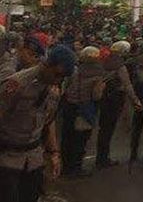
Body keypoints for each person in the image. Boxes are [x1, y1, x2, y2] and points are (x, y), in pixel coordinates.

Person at [0, 45, 76, 202]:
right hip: (8, 158)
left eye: (63, 78)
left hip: (34, 158)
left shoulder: (54, 87)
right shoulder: (17, 85)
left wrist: (54, 153)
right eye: (57, 75)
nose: (59, 80)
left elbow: (49, 121)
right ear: (47, 64)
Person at [97, 41, 142, 169]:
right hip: (114, 99)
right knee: (108, 128)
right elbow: (127, 85)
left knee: (103, 129)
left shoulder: (103, 63)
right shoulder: (120, 66)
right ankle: (103, 159)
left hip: (103, 98)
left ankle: (101, 157)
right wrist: (135, 100)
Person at [61, 46, 105, 177]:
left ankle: (66, 167)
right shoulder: (97, 74)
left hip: (69, 106)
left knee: (67, 137)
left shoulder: (73, 70)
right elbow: (96, 96)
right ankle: (76, 167)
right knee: (80, 140)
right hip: (85, 108)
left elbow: (65, 86)